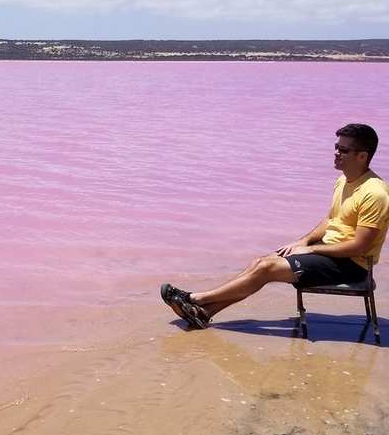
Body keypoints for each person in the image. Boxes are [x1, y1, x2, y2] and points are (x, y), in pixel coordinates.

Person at [161, 123, 389, 329]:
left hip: (352, 265)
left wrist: (311, 249)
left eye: (344, 150)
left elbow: (360, 246)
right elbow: (331, 219)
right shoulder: (343, 180)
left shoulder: (374, 193)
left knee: (265, 270)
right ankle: (205, 313)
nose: (336, 153)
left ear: (362, 156)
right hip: (329, 253)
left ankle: (195, 299)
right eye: (336, 147)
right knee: (260, 263)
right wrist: (304, 241)